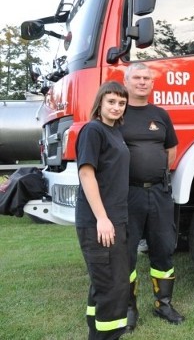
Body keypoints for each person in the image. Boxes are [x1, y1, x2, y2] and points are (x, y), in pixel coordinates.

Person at [120, 63, 184, 330]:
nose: (142, 82)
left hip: (158, 192)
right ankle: (129, 308)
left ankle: (164, 305)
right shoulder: (117, 113)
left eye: (147, 78)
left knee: (164, 249)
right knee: (127, 254)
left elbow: (171, 149)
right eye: (137, 77)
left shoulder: (160, 114)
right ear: (126, 81)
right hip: (128, 194)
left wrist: (156, 172)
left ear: (152, 83)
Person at [75, 81, 130, 339]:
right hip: (100, 222)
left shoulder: (114, 132)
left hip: (115, 218)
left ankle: (95, 332)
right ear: (100, 103)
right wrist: (102, 219)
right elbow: (87, 174)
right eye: (111, 101)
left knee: (103, 283)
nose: (117, 107)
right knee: (113, 286)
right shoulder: (93, 131)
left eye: (121, 103)